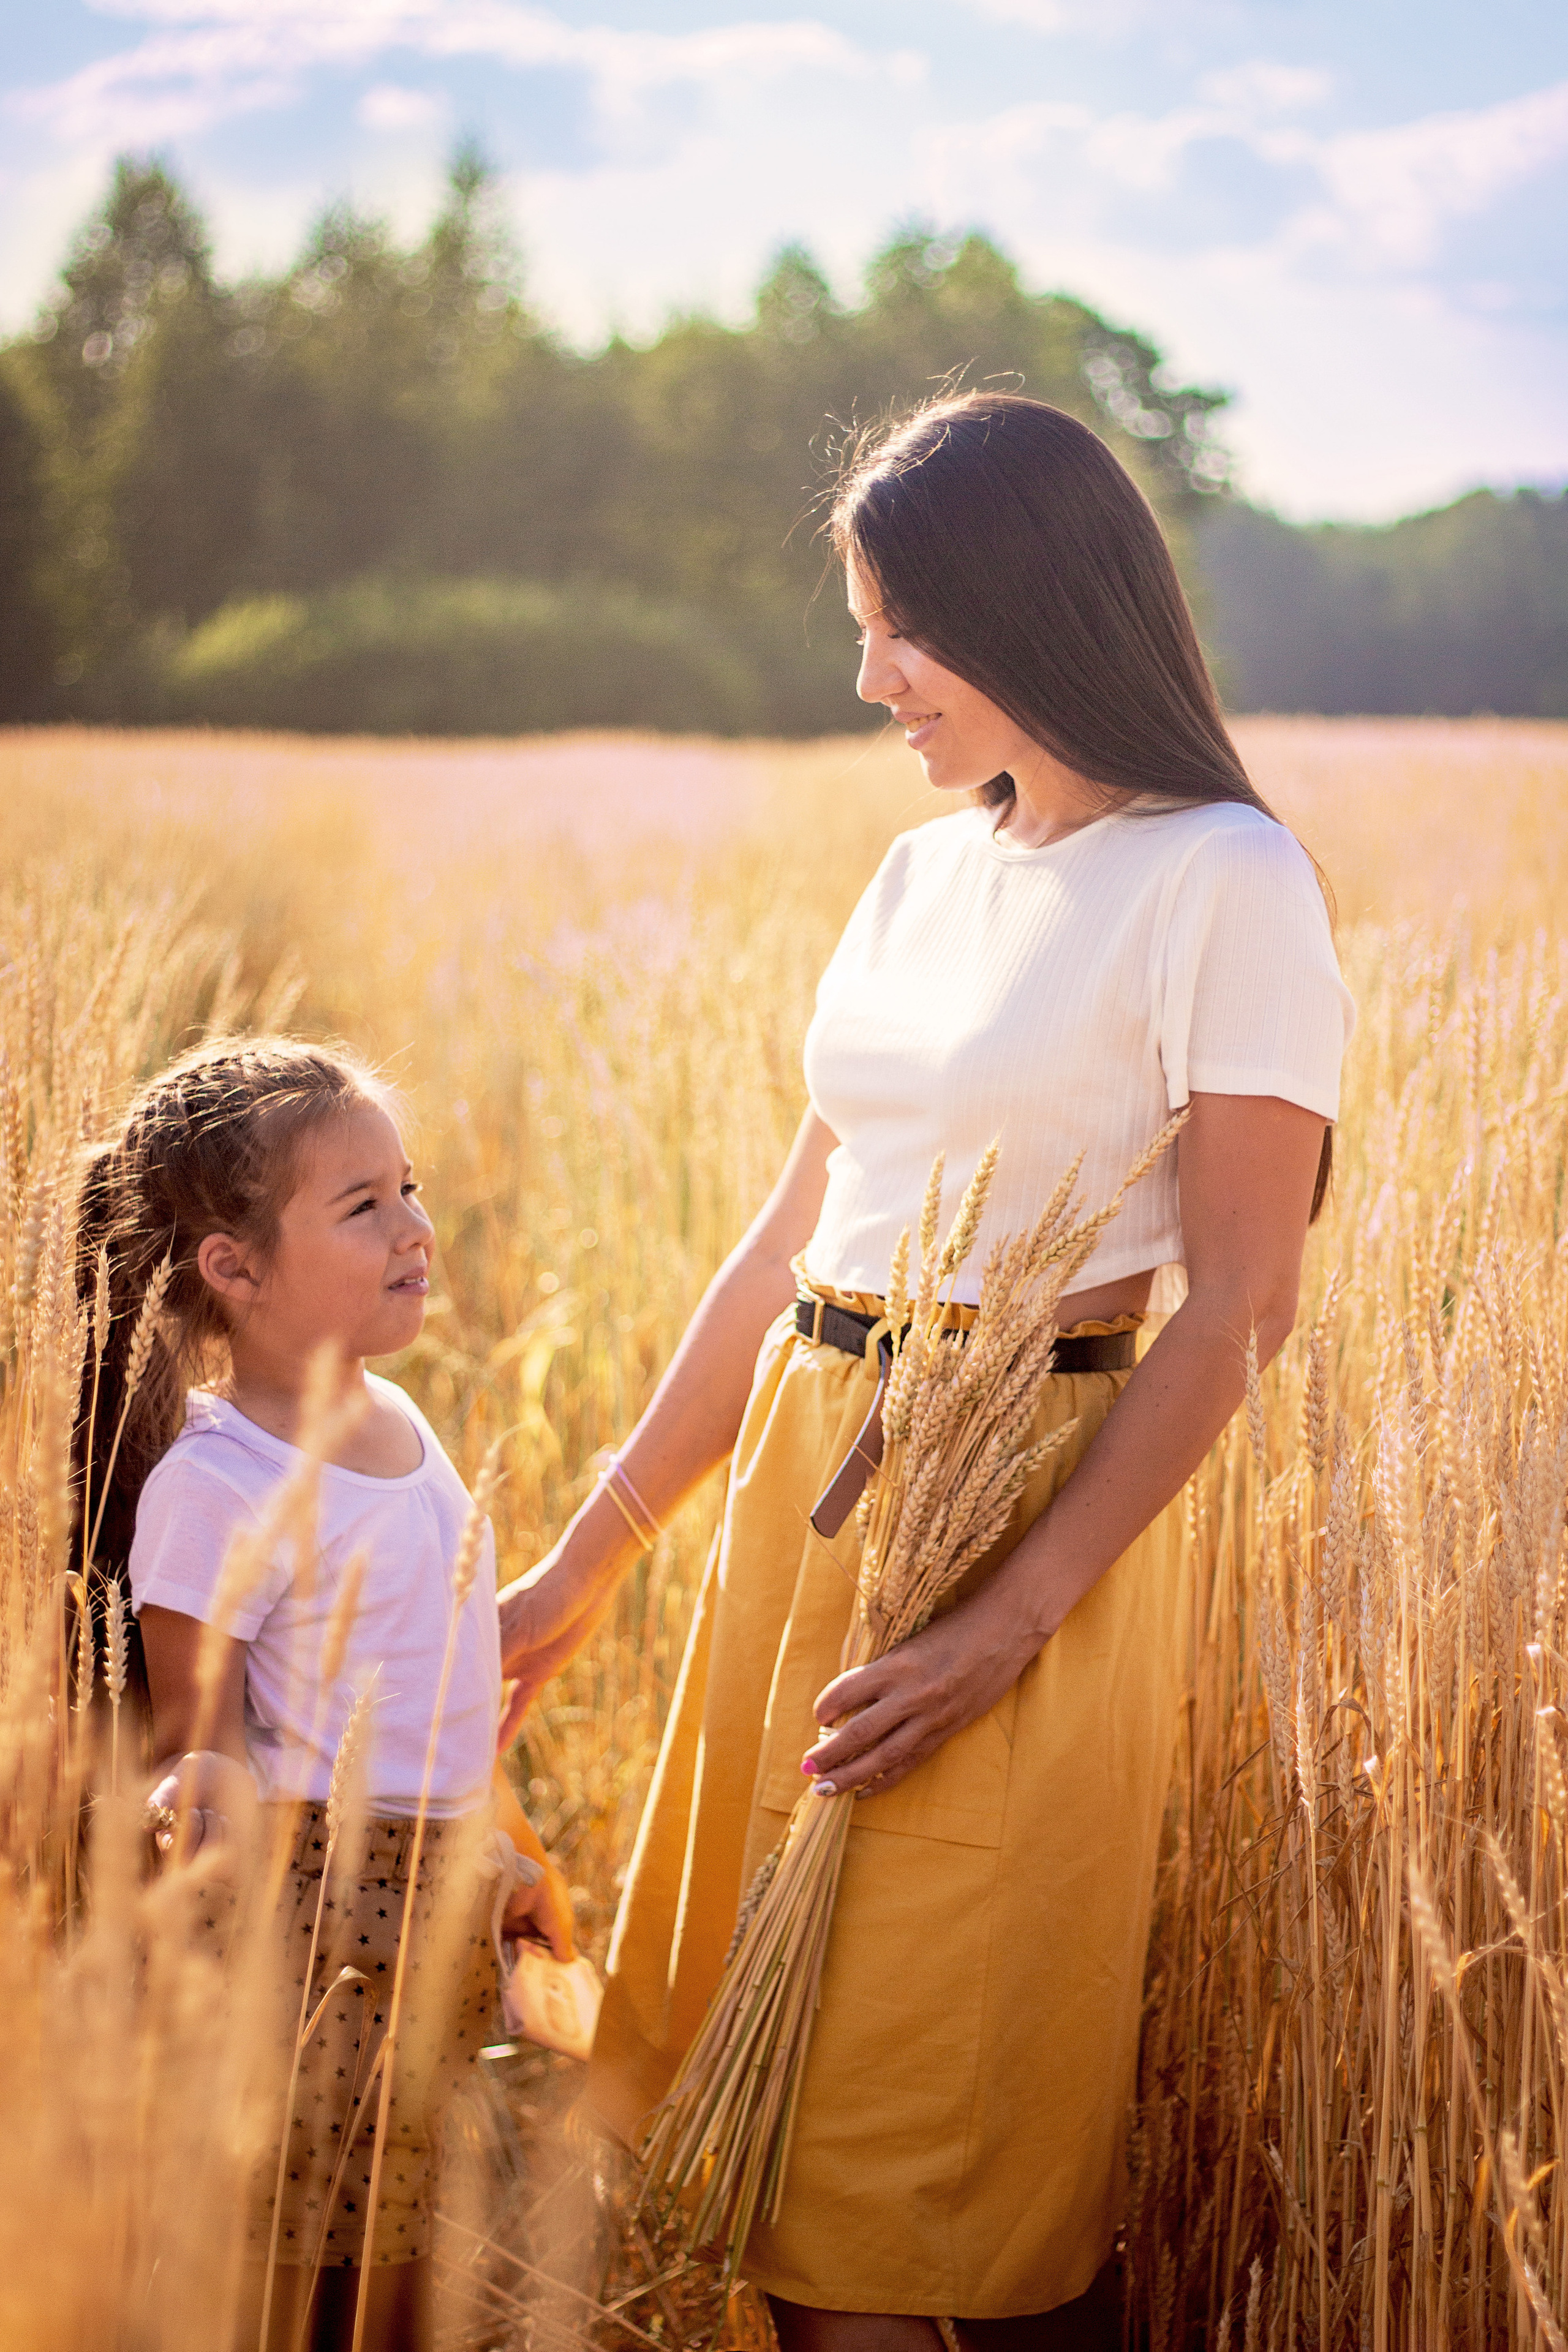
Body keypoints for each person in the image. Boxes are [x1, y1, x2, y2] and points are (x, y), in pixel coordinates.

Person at [496, 391, 1354, 2348]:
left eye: (906, 629)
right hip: (807, 1491)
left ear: (1033, 607)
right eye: (865, 626)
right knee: (763, 2128)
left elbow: (1243, 1300)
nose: (871, 677)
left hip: (1018, 1520)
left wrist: (1006, 1624)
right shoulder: (915, 875)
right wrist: (586, 1561)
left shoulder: (1225, 875)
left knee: (905, 2150)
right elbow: (790, 1246)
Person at [79, 1036, 571, 2352]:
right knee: (292, 2259)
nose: (415, 1228)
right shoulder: (218, 1482)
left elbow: (435, 1688)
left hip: (437, 1906)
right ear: (232, 1269)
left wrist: (501, 1849)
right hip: (314, 1920)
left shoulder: (402, 1421)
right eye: (363, 1205)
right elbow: (197, 1734)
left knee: (412, 2238)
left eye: (409, 1188)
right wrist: (206, 1795)